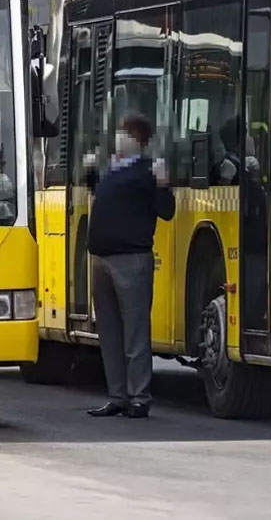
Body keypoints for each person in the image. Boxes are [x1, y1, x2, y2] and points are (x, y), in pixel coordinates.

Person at [85, 113, 175, 419]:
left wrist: (163, 184)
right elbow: (102, 197)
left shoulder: (147, 170)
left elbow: (166, 211)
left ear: (139, 140)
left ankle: (139, 397)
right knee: (109, 332)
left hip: (131, 259)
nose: (120, 138)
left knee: (134, 332)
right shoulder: (112, 168)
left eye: (127, 133)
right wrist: (91, 174)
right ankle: (117, 396)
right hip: (102, 258)